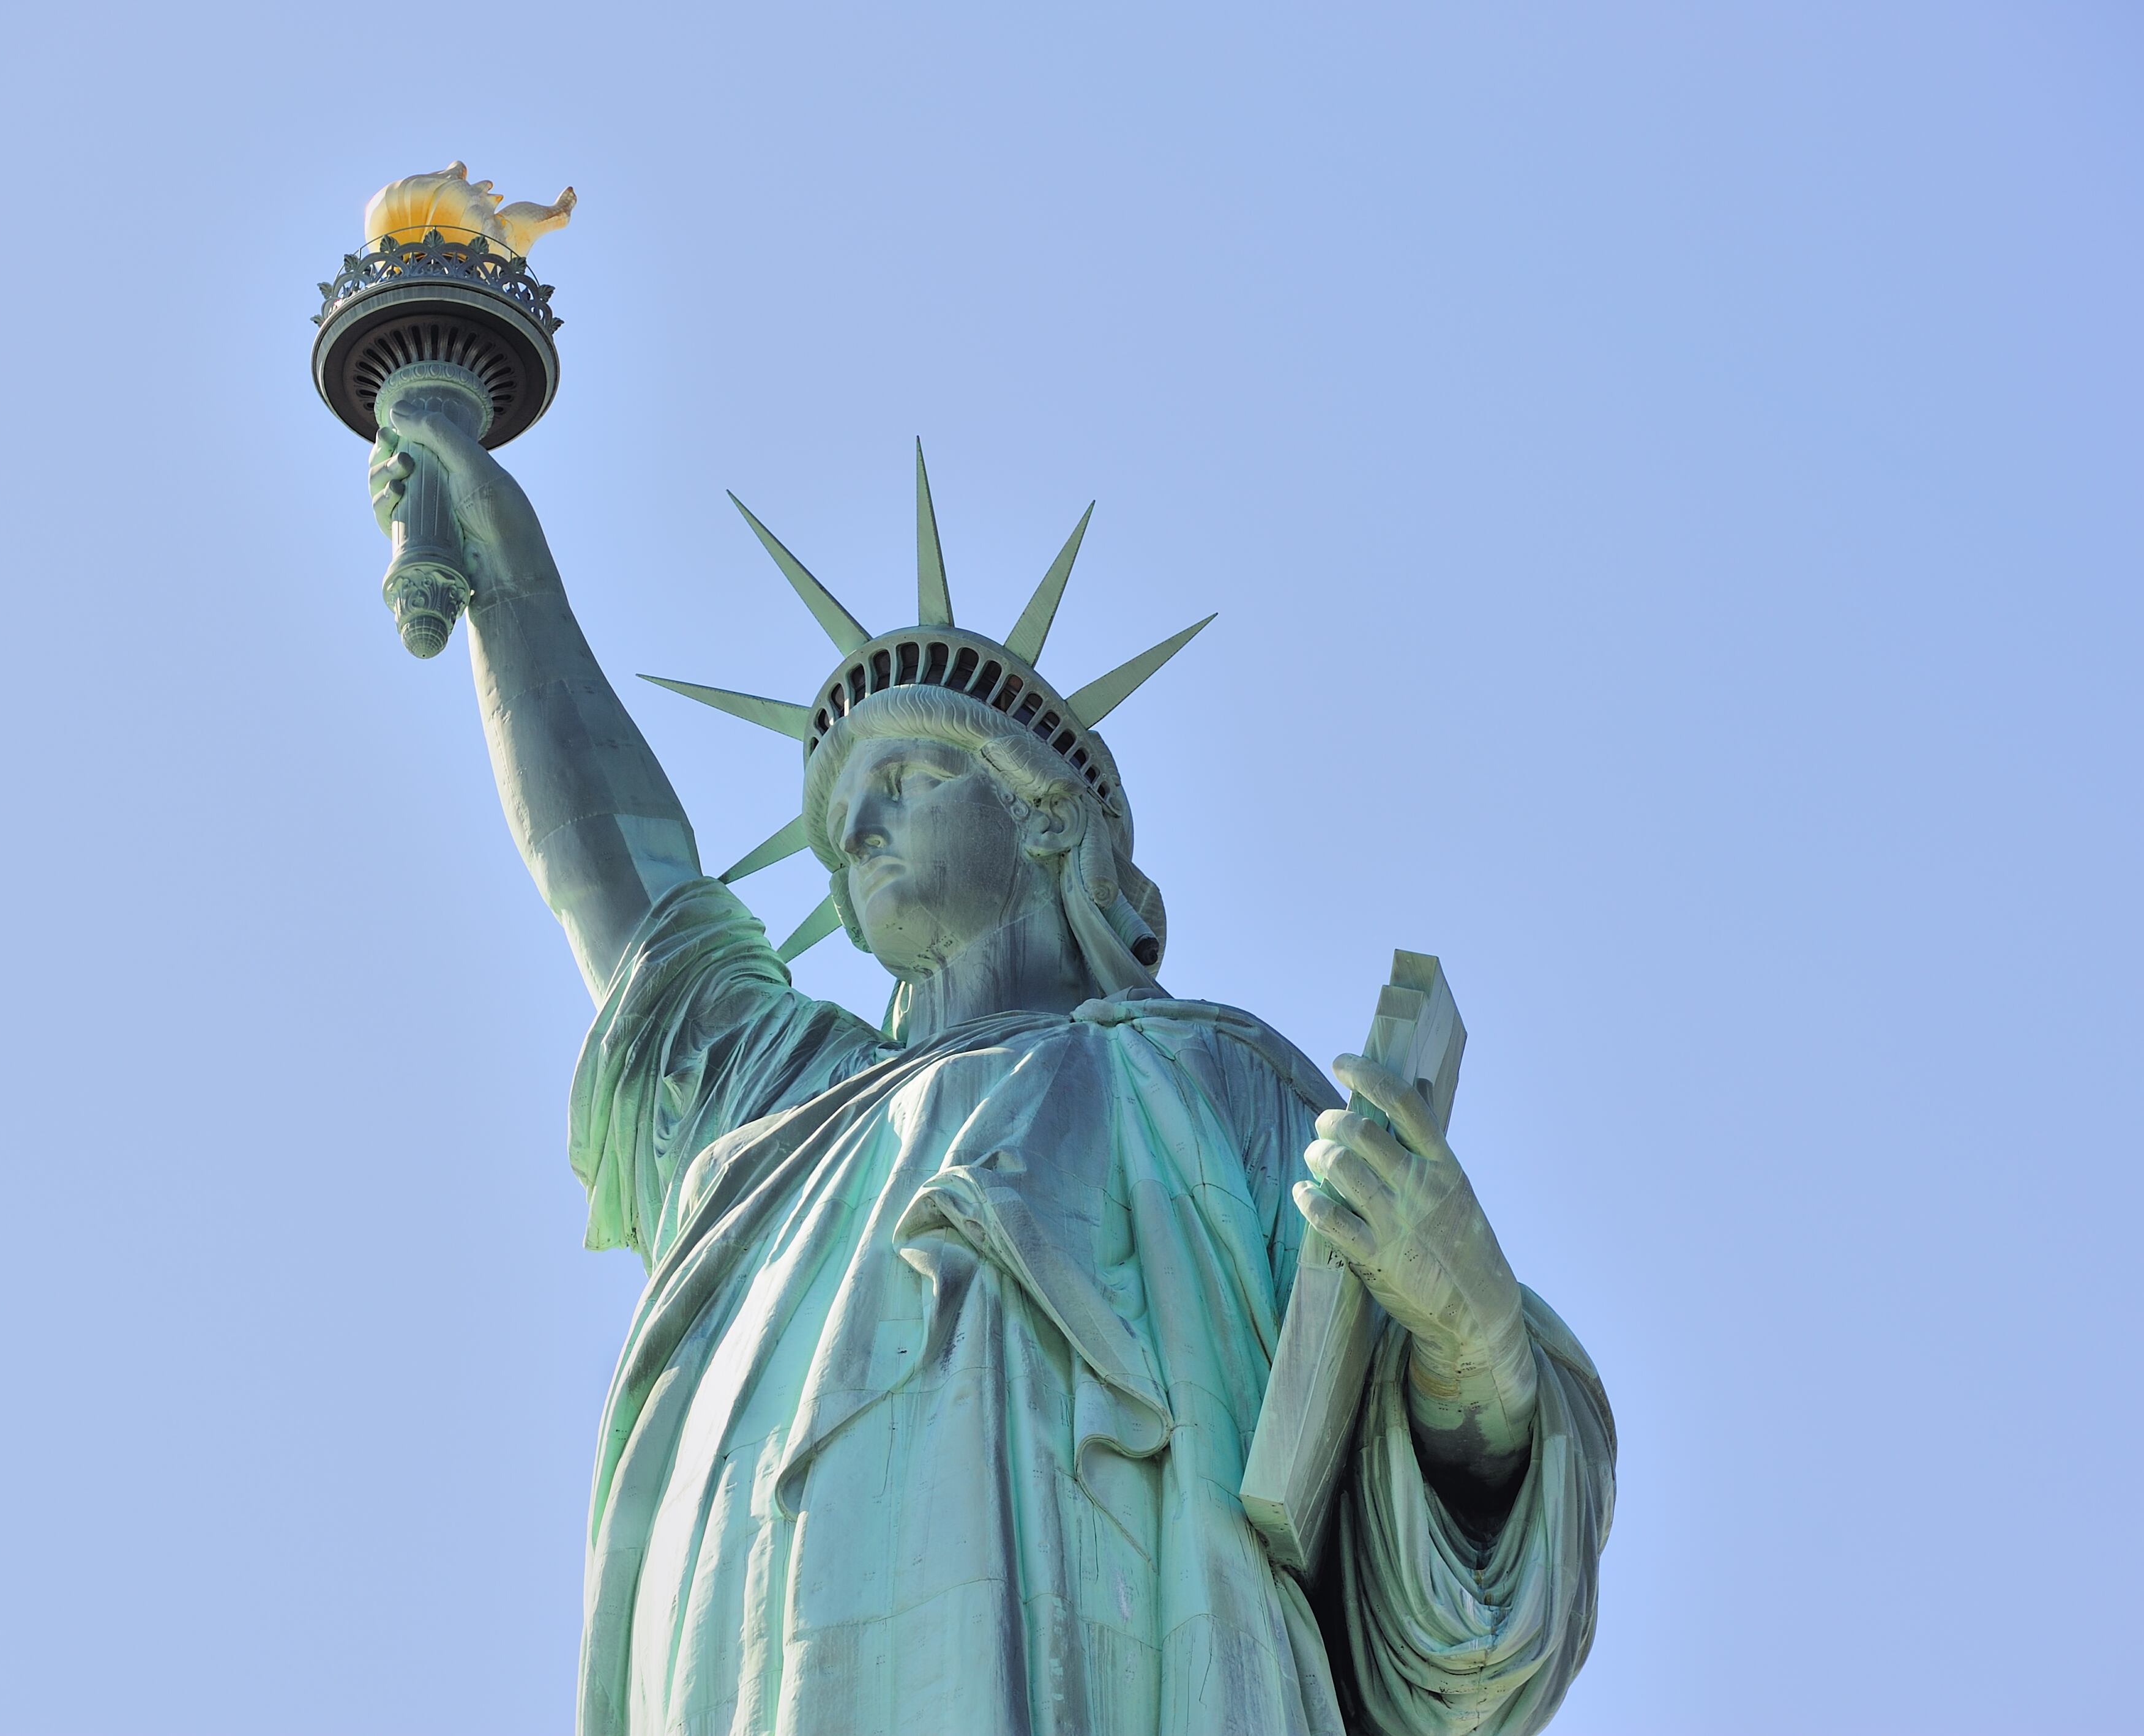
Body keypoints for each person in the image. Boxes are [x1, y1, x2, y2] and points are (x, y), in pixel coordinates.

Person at [369, 416, 1615, 1735]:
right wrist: (514, 593)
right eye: (845, 806)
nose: (854, 826)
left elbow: (1448, 1560)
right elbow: (618, 888)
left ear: (1042, 815)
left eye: (906, 773)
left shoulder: (1214, 1081)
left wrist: (1468, 1333)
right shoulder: (783, 1106)